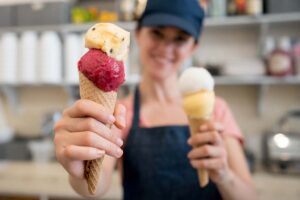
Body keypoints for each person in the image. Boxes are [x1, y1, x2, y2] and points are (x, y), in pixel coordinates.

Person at [54, 0, 257, 199]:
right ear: (139, 33)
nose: (165, 47)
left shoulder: (217, 109)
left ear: (193, 47)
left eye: (180, 39)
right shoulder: (120, 113)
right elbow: (96, 185)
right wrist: (79, 169)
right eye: (157, 33)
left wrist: (225, 176)